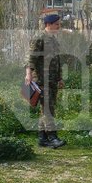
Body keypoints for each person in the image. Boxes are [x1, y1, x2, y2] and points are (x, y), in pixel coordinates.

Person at [27, 13, 66, 148]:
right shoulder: (39, 38)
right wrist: (29, 74)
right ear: (48, 24)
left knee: (47, 109)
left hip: (52, 80)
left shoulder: (53, 40)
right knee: (48, 109)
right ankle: (52, 137)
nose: (58, 27)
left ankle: (42, 138)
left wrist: (59, 78)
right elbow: (31, 58)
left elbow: (57, 61)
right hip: (42, 80)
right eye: (57, 24)